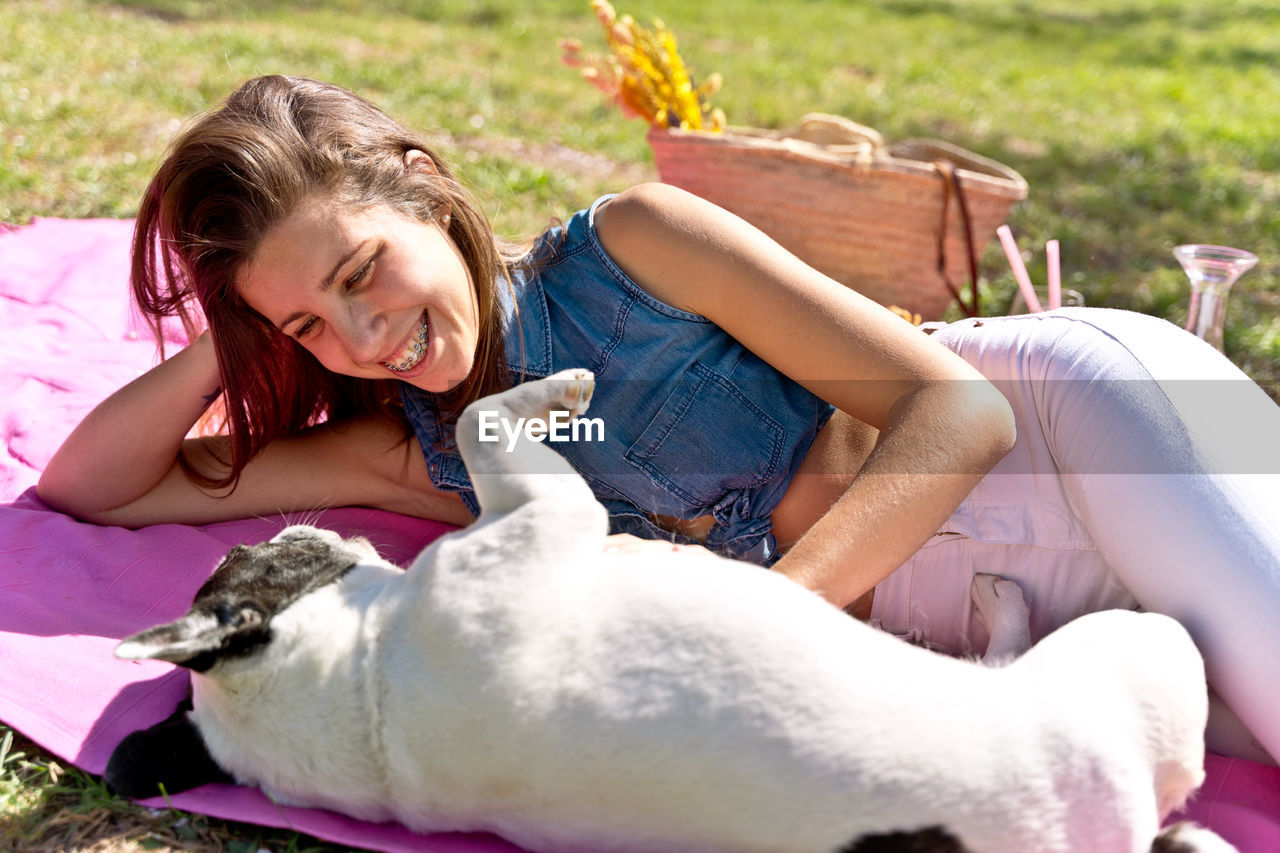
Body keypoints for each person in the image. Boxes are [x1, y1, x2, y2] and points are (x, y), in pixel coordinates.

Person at [37, 75, 1280, 766]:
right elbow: (100, 485)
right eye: (313, 328)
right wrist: (247, 327)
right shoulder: (414, 451)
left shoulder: (631, 246)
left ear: (424, 191)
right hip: (1023, 624)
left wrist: (759, 633)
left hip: (1092, 426)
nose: (364, 340)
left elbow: (954, 413)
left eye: (362, 272)